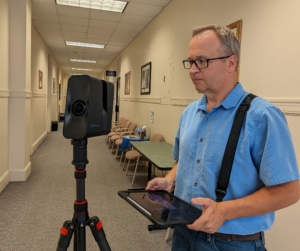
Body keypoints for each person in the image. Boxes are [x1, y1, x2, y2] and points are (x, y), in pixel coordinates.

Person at [146, 24, 300, 251]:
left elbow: (289, 190)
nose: (193, 70)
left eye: (202, 61)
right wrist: (170, 180)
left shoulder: (261, 116)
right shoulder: (189, 113)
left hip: (231, 244)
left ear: (231, 63)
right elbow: (184, 160)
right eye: (190, 62)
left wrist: (225, 211)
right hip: (182, 233)